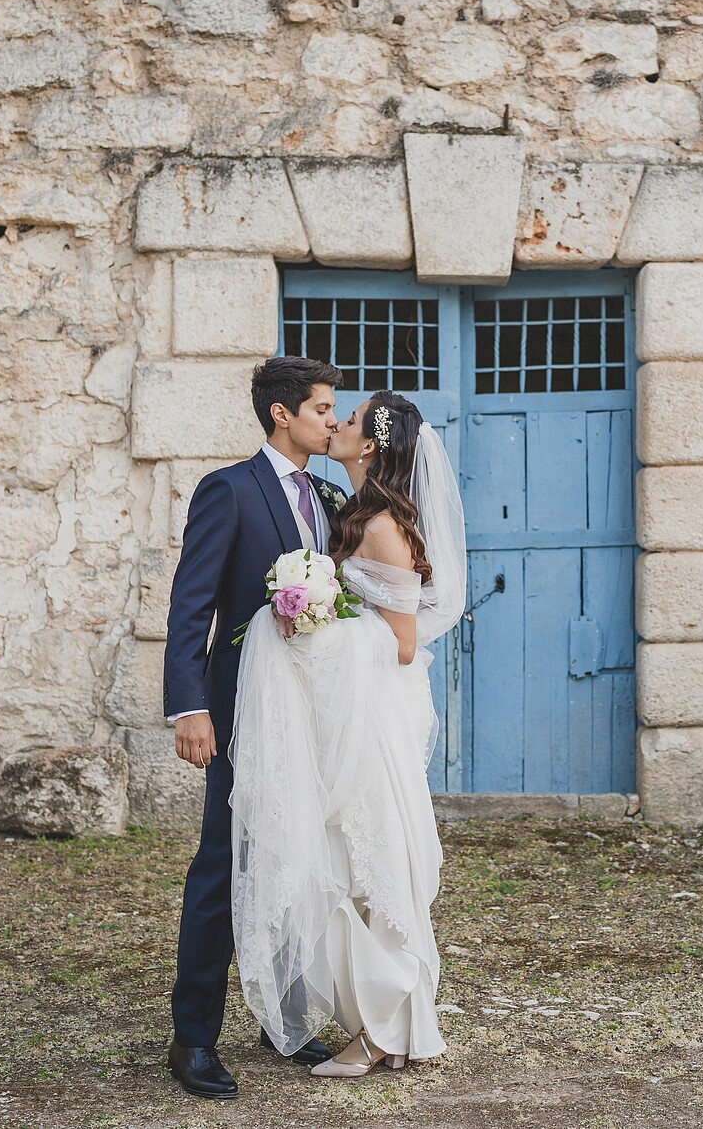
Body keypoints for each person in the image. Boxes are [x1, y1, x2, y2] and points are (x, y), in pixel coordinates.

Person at [229, 390, 466, 1078]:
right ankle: (388, 1026)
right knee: (342, 863)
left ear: (370, 446)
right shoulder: (349, 512)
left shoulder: (384, 525)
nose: (337, 423)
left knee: (371, 868)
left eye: (352, 419)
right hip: (345, 716)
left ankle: (383, 1031)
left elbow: (398, 640)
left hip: (372, 722)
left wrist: (312, 622)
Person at [162, 356, 347, 1101]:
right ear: (282, 414)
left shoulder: (327, 496)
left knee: (301, 855)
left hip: (312, 710)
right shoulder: (230, 490)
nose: (333, 420)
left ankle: (287, 1018)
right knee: (222, 864)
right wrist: (190, 706)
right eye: (324, 408)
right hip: (242, 712)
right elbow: (190, 605)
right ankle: (194, 1038)